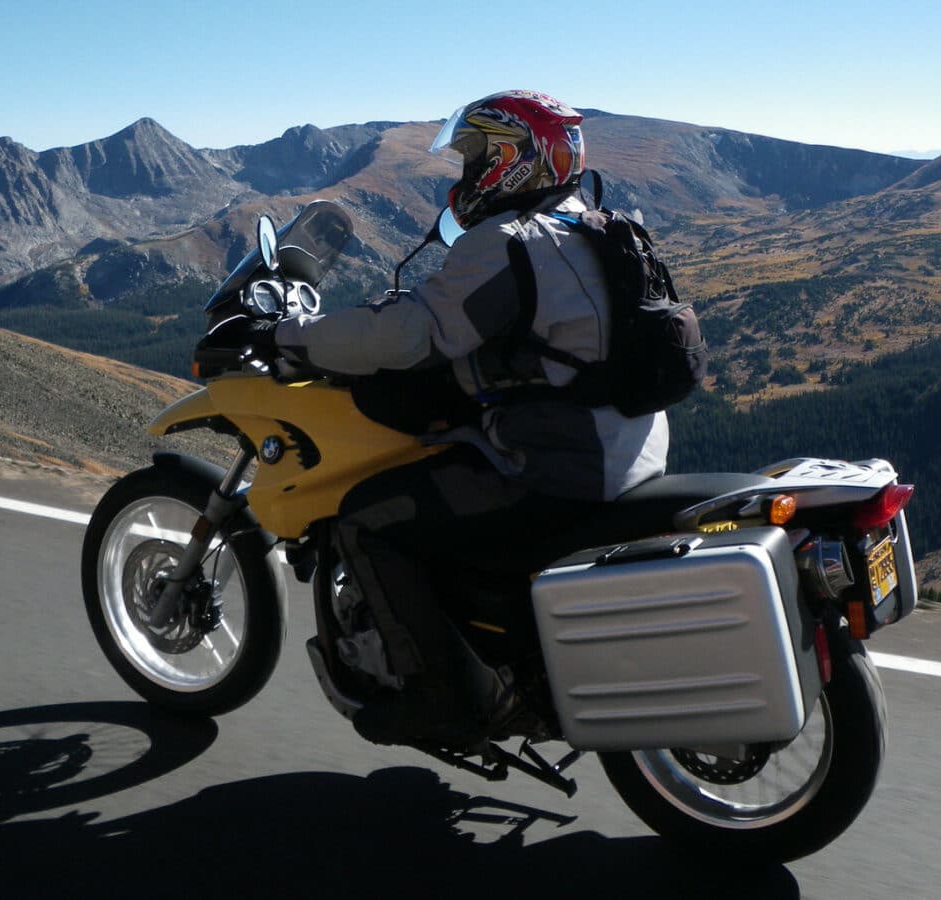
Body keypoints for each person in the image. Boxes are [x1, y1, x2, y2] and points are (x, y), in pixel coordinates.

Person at [211, 90, 669, 748]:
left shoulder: (512, 244)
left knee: (369, 519)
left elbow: (412, 333)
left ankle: (444, 701)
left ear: (511, 160)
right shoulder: (592, 224)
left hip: (559, 464)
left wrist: (292, 336)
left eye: (474, 157)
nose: (464, 173)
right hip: (629, 448)